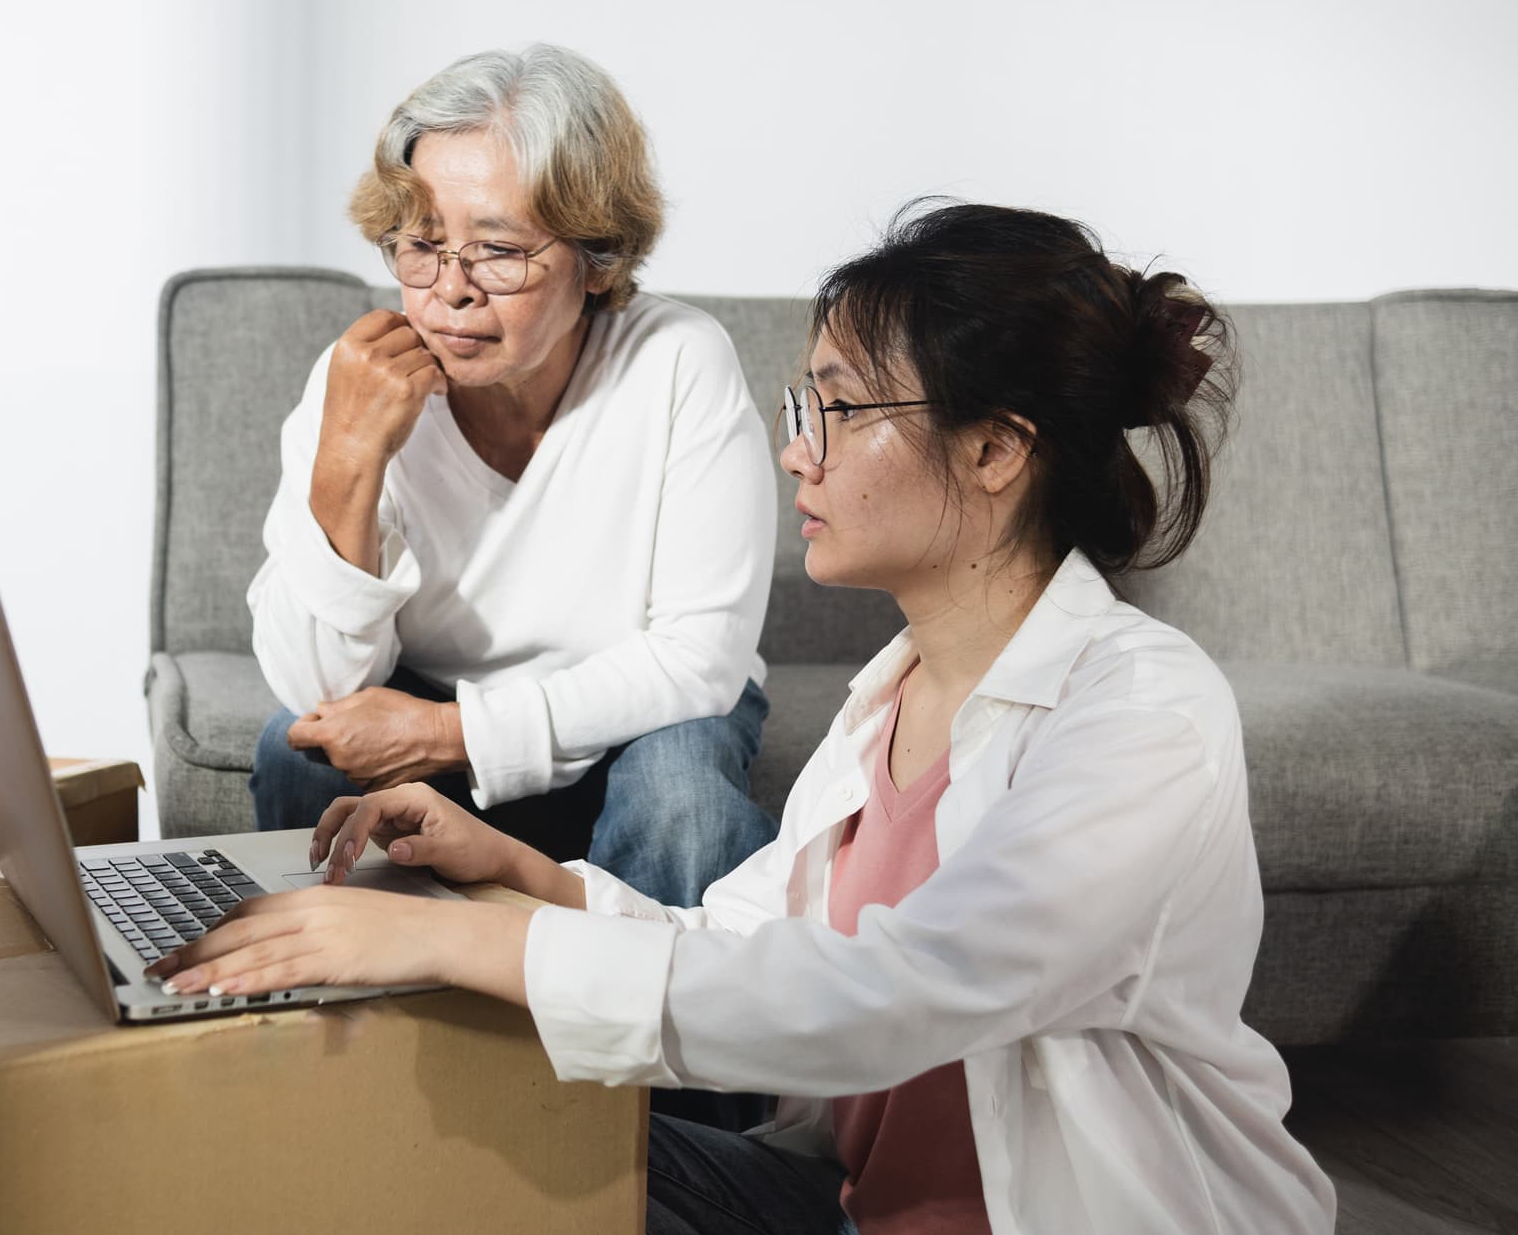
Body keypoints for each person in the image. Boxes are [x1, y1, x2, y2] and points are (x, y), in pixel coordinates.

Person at [165, 202, 1338, 1234]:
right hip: (833, 1207)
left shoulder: (1142, 713)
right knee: (438, 1150)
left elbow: (891, 994)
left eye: (836, 406)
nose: (794, 451)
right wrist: (523, 873)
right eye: (801, 402)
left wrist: (450, 938)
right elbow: (741, 935)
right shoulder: (892, 696)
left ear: (993, 449)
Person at [246, 43, 779, 910]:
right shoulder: (359, 379)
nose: (449, 292)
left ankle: (654, 1030)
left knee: (685, 801)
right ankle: (370, 1034)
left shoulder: (677, 360)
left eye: (496, 250)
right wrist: (347, 456)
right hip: (430, 690)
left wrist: (451, 735)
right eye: (420, 244)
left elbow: (699, 662)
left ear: (595, 257)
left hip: (636, 722)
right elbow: (316, 693)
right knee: (291, 751)